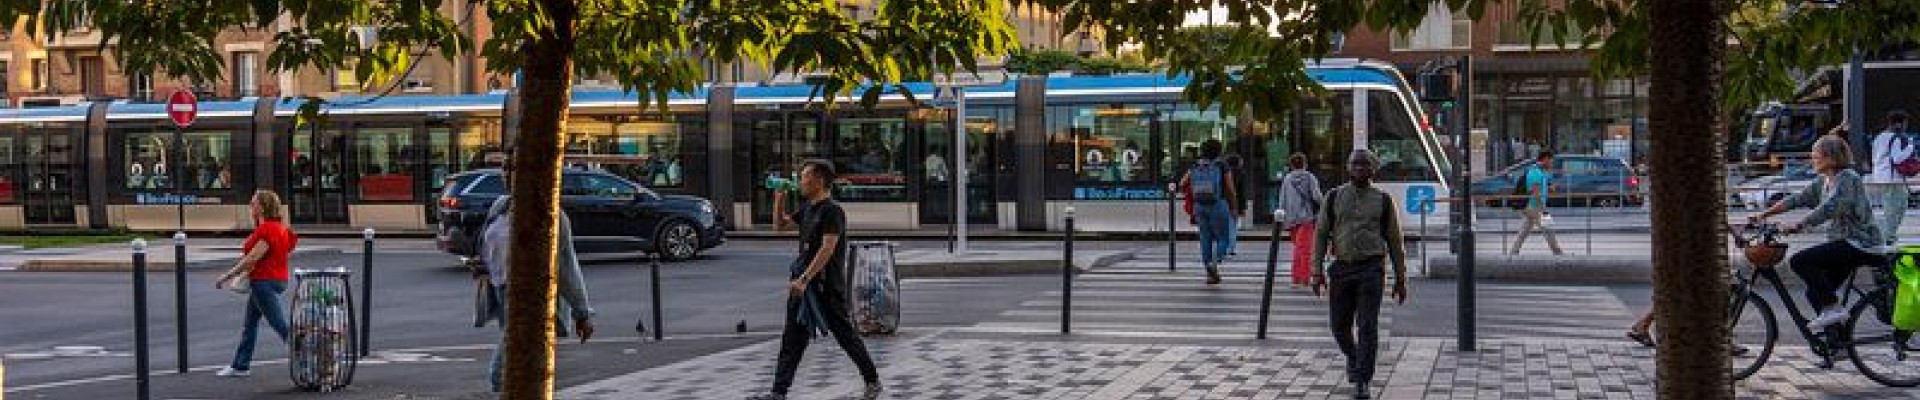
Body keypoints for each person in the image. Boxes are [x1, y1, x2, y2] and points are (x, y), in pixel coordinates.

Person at [748, 159, 882, 400]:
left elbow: (827, 248)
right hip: (803, 286)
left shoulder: (832, 211)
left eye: (804, 177)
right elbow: (779, 227)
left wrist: (805, 278)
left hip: (825, 286)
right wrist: (779, 198)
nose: (800, 181)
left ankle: (872, 380)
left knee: (845, 335)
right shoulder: (807, 209)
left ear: (819, 181)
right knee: (792, 339)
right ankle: (778, 392)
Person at [477, 158, 596, 393]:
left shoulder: (550, 214)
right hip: (504, 294)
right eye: (505, 167)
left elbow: (566, 265)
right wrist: (483, 265)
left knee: (500, 373)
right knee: (518, 373)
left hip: (532, 301)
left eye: (515, 167)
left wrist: (582, 312)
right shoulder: (500, 206)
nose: (508, 174)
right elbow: (490, 245)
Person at [1750, 135, 1884, 333]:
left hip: (1862, 243)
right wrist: (1764, 214)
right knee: (1815, 294)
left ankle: (1833, 308)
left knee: (1799, 261)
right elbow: (1797, 199)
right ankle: (1836, 340)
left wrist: (1799, 224)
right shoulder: (1824, 181)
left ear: (1831, 157)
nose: (1813, 159)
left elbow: (1831, 207)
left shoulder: (1848, 178)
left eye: (1816, 155)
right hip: (1845, 244)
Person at [1310, 149, 1409, 400]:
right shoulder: (1334, 197)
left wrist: (1401, 278)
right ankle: (1354, 358)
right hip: (1342, 268)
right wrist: (1316, 272)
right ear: (1348, 167)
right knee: (1339, 326)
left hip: (1371, 268)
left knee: (1367, 326)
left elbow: (1395, 241)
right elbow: (1320, 235)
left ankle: (1362, 379)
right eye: (1355, 164)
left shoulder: (1383, 200)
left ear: (1373, 169)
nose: (1359, 169)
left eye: (1364, 165)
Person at [212, 190, 298, 377]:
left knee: (280, 325)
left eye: (253, 204)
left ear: (262, 207)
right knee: (250, 324)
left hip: (263, 281)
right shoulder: (281, 228)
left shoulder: (267, 229)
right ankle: (240, 365)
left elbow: (253, 257)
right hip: (277, 279)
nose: (250, 206)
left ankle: (307, 354)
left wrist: (228, 275)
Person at [1180, 139, 1239, 285]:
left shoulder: (1195, 164)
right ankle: (1214, 263)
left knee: (1205, 238)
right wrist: (1233, 207)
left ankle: (1209, 272)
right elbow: (1230, 188)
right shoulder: (1221, 165)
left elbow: (1182, 183)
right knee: (1223, 238)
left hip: (1199, 205)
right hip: (1218, 204)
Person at [1868, 111, 1914, 245]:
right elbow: (1897, 158)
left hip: (1880, 176)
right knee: (1896, 208)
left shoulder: (1879, 137)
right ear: (1898, 124)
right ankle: (1887, 236)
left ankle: (1887, 235)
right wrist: (1910, 147)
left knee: (1891, 208)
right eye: (1905, 124)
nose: (1905, 127)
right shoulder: (1895, 138)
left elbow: (1875, 157)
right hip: (1892, 178)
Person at [1280, 153, 1323, 287]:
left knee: (1298, 247)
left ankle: (1296, 277)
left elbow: (1282, 198)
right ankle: (1304, 278)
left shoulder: (1287, 179)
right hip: (1306, 217)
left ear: (1291, 165)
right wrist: (1325, 205)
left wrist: (1282, 217)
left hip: (1291, 218)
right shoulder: (1309, 177)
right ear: (1305, 164)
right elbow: (1316, 196)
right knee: (1305, 249)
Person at [1510, 151, 1565, 255]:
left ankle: (1514, 252)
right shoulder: (1536, 173)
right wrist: (1543, 210)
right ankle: (1558, 253)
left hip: (1531, 206)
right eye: (1551, 161)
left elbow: (1539, 186)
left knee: (1524, 231)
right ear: (1545, 159)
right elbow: (1536, 192)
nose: (1552, 163)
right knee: (1548, 229)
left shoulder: (1539, 172)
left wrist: (1550, 187)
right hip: (1534, 206)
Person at [1223, 154, 1248, 258]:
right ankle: (1231, 248)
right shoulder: (1241, 173)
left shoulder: (1223, 172)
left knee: (1226, 226)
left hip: (1223, 202)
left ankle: (1225, 248)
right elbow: (1241, 192)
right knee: (1233, 226)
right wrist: (1243, 207)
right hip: (1235, 203)